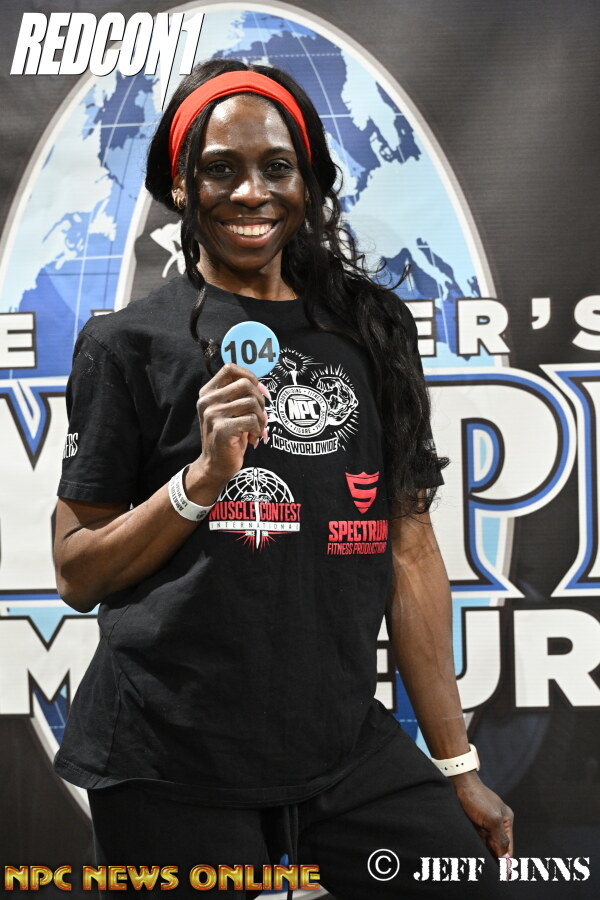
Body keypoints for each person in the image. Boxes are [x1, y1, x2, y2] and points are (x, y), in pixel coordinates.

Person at [53, 59, 513, 897]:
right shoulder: (127, 345)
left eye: (276, 167)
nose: (251, 192)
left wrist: (456, 764)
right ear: (181, 187)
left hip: (339, 748)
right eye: (220, 170)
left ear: (309, 182)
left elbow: (410, 548)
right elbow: (78, 572)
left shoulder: (370, 328)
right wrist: (200, 480)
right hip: (170, 758)